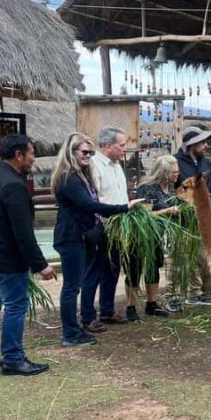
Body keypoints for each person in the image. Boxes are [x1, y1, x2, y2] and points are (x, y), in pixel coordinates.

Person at [0, 133, 56, 377]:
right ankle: (14, 359)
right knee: (16, 306)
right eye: (31, 153)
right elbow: (23, 233)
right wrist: (41, 265)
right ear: (19, 155)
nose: (33, 158)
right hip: (7, 260)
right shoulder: (14, 185)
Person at [52, 133, 142, 346]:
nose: (88, 156)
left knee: (103, 271)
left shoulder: (81, 174)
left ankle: (94, 317)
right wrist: (123, 209)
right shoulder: (69, 178)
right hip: (74, 235)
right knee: (73, 286)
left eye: (90, 153)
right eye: (84, 152)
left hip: (88, 232)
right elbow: (90, 205)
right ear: (71, 152)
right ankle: (72, 331)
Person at [85, 126, 131, 325]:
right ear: (107, 146)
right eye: (121, 146)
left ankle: (107, 309)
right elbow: (94, 199)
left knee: (113, 268)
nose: (124, 149)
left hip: (120, 225)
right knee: (95, 270)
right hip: (101, 224)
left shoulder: (117, 165)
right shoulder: (94, 166)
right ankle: (87, 314)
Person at [127, 154, 182, 319]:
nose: (177, 175)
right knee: (135, 270)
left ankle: (152, 304)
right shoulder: (147, 188)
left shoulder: (171, 187)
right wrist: (167, 211)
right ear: (165, 173)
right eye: (174, 172)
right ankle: (131, 307)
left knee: (153, 269)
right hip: (140, 236)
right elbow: (145, 215)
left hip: (157, 236)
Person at [174, 125, 211, 305]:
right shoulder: (176, 163)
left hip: (205, 218)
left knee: (206, 254)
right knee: (188, 255)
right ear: (192, 144)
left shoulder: (206, 164)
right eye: (202, 143)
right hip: (185, 219)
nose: (206, 146)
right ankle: (190, 292)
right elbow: (174, 190)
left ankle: (207, 290)